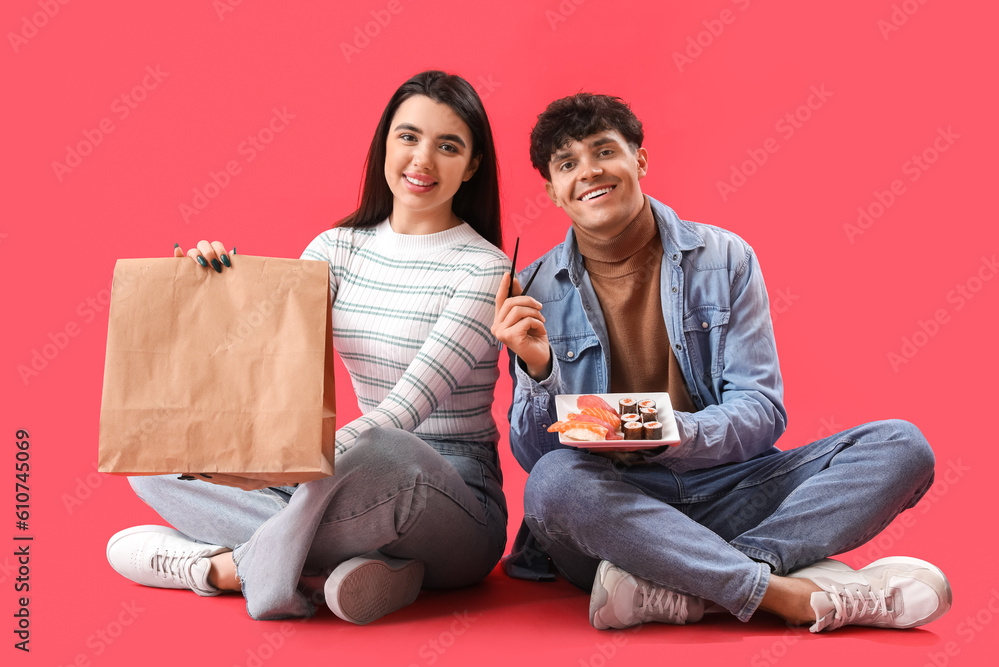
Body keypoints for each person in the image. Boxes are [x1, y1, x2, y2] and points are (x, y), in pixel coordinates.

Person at [491, 92, 951, 633]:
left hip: (731, 488)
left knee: (900, 446)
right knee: (553, 481)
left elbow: (760, 411)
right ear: (552, 190)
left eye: (603, 151)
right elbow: (534, 454)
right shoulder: (536, 288)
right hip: (618, 508)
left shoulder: (725, 258)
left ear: (638, 159)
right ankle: (786, 595)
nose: (589, 172)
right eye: (567, 164)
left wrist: (668, 430)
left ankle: (695, 583)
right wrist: (539, 370)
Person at [106, 70, 510, 623]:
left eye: (448, 146)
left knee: (386, 450)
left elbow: (403, 411)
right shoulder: (336, 249)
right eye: (409, 137)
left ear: (472, 165)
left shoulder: (484, 268)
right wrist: (209, 288)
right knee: (155, 455)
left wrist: (286, 472)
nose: (423, 160)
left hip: (450, 500)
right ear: (384, 143)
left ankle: (221, 569)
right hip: (344, 486)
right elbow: (264, 366)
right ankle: (351, 569)